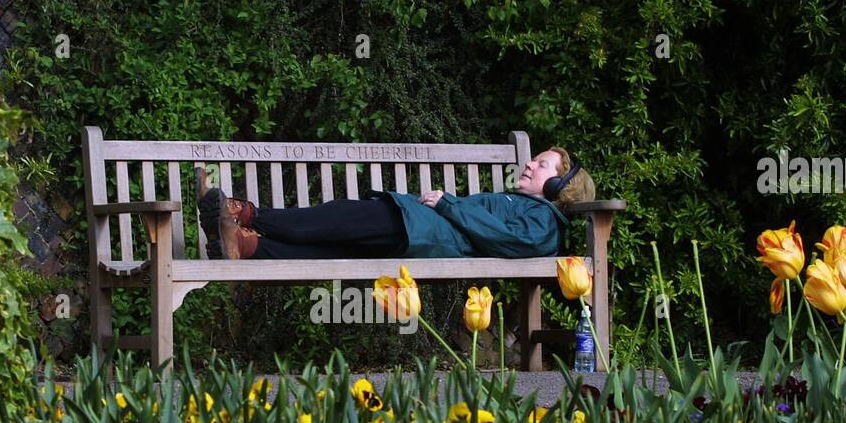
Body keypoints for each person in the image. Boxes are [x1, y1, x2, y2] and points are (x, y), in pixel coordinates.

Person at [199, 147, 595, 260]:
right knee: (330, 246)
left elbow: (510, 241)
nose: (529, 163)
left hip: (419, 226)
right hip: (418, 227)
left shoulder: (544, 223)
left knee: (334, 219)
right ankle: (245, 245)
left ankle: (242, 213)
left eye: (541, 164)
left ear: (560, 185)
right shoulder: (527, 207)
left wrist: (447, 206)